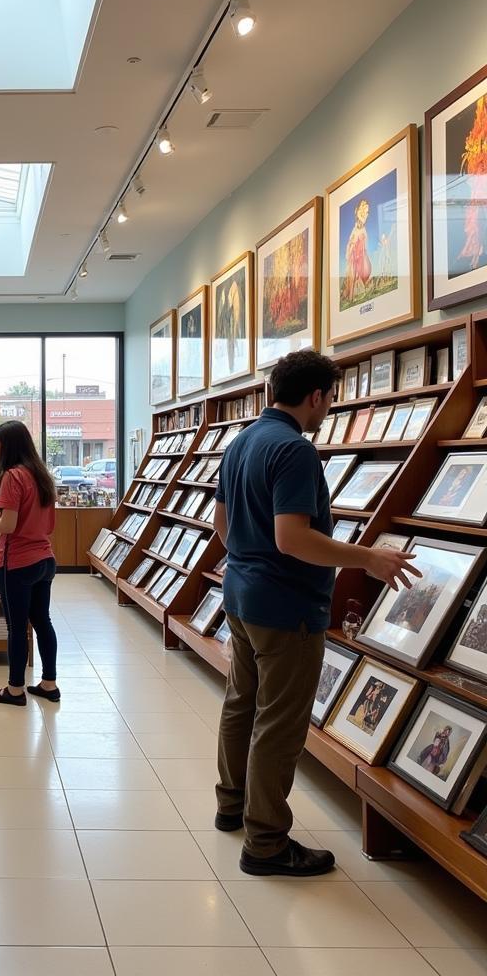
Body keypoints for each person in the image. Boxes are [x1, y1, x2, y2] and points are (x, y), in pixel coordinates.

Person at [213, 349, 420, 876]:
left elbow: (222, 525)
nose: (329, 407)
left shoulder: (240, 443)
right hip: (285, 608)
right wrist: (368, 557)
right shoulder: (295, 451)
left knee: (242, 704)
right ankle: (266, 843)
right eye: (331, 398)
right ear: (316, 396)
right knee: (279, 723)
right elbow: (293, 538)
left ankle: (231, 805)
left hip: (240, 596)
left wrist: (249, 559)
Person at [0, 420, 59, 706]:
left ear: (8, 445)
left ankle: (15, 690)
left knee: (17, 628)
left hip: (18, 562)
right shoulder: (41, 475)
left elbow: (7, 523)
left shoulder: (12, 477)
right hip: (44, 558)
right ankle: (49, 683)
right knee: (43, 621)